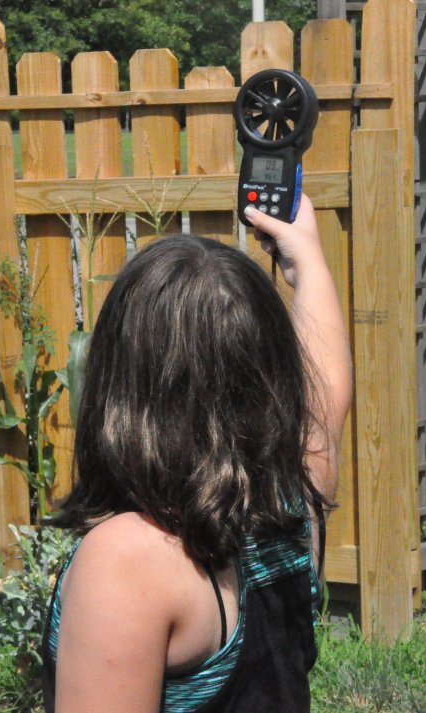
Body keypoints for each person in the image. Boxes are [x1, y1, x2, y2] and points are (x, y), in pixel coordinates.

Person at [41, 196, 353, 712]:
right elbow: (325, 407)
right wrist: (308, 261)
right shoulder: (295, 505)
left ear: (118, 380)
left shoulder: (129, 561)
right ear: (273, 374)